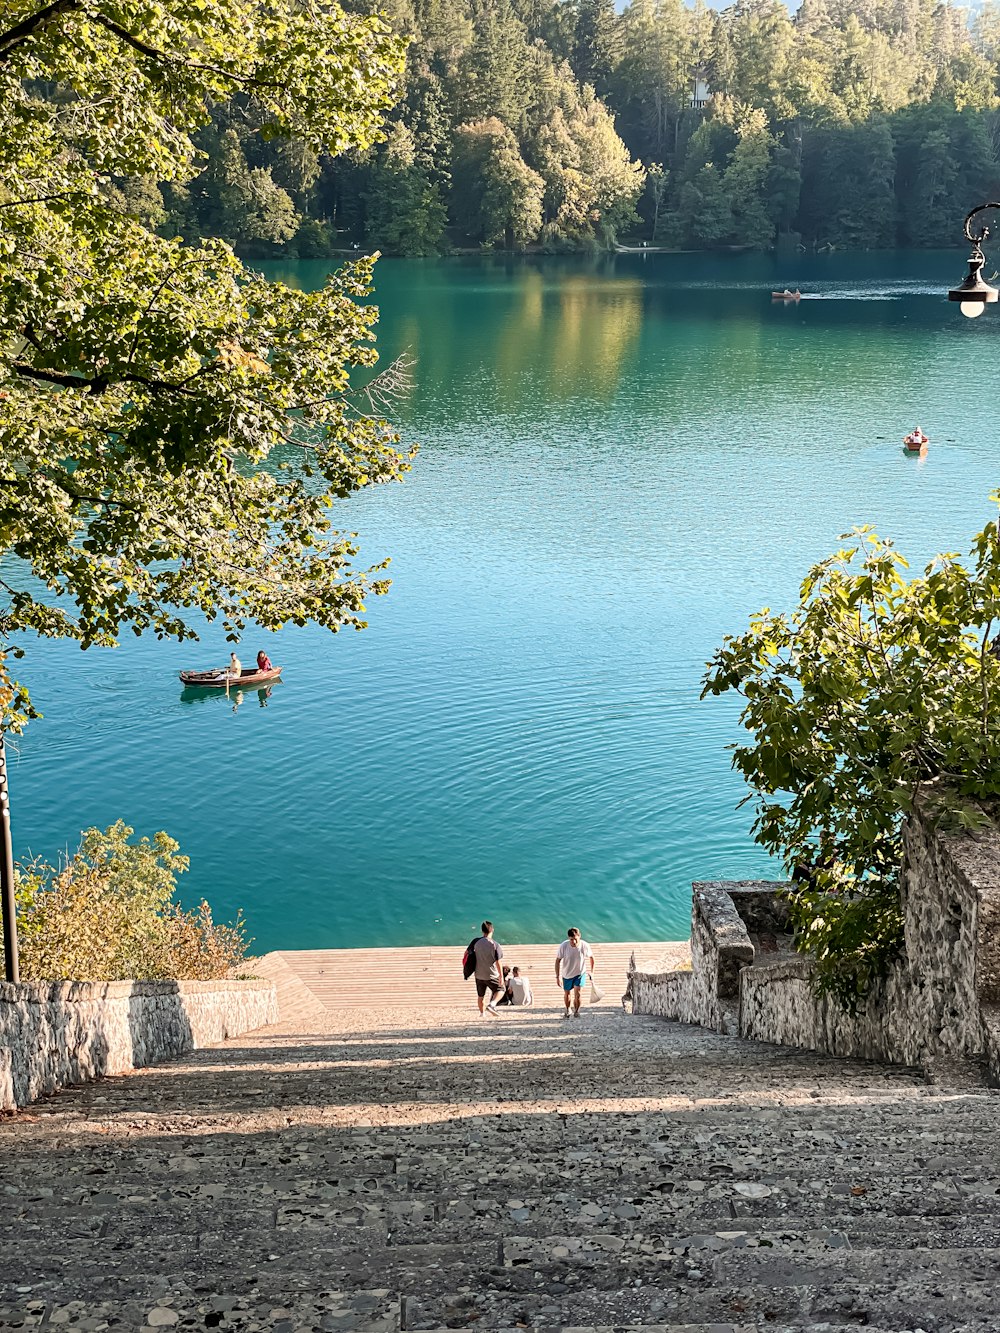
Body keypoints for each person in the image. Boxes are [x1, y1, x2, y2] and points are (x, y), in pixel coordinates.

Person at [555, 926, 594, 1019]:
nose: (574, 942)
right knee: (567, 994)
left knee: (578, 994)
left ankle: (577, 1011)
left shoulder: (585, 945)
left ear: (579, 936)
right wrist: (557, 976)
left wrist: (592, 972)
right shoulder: (563, 946)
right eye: (571, 939)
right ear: (569, 938)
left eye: (575, 939)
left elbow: (592, 958)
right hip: (567, 974)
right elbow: (557, 961)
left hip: (580, 973)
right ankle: (568, 1009)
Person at [473, 920, 504, 1015]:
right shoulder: (495, 945)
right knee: (501, 989)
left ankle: (482, 1014)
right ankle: (492, 1005)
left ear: (482, 931)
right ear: (492, 930)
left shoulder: (476, 942)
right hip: (491, 974)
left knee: (480, 996)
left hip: (478, 974)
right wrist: (501, 976)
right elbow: (498, 962)